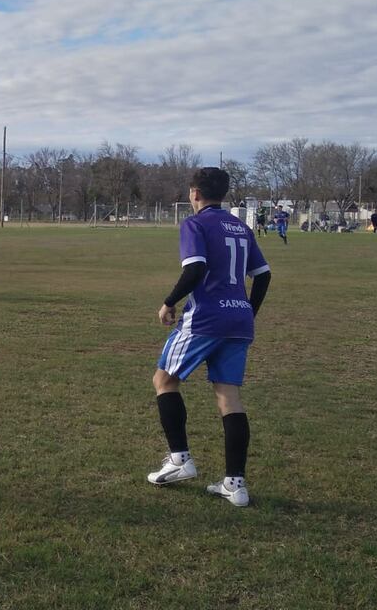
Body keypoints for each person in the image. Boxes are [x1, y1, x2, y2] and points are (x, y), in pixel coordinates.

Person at [146, 167, 272, 508]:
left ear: (194, 193)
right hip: (238, 321)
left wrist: (168, 302)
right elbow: (263, 275)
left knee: (164, 380)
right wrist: (248, 310)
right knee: (229, 396)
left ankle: (180, 460)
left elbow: (195, 267)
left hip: (205, 318)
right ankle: (235, 484)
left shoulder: (196, 224)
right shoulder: (242, 227)